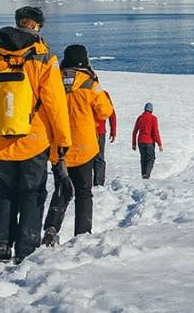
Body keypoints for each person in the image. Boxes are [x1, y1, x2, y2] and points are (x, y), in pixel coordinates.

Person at [0, 6, 71, 263]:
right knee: (33, 191)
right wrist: (62, 140)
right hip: (34, 140)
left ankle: (3, 242)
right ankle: (26, 248)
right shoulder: (42, 56)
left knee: (7, 189)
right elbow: (55, 104)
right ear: (37, 26)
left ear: (17, 23)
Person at [42, 44, 114, 246]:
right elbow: (105, 111)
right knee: (83, 192)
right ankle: (82, 235)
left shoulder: (53, 80)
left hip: (59, 149)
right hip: (84, 147)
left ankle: (51, 229)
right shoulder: (89, 84)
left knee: (61, 190)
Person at [132, 102, 163, 179]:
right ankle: (147, 174)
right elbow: (155, 132)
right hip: (149, 142)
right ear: (151, 110)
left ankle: (143, 174)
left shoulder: (140, 118)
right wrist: (159, 144)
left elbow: (135, 131)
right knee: (151, 158)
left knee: (143, 158)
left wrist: (134, 144)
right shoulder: (153, 118)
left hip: (140, 141)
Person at [93, 91, 117, 186]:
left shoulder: (81, 91)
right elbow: (111, 113)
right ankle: (98, 183)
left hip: (87, 130)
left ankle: (89, 183)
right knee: (99, 157)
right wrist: (113, 130)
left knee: (86, 158)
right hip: (99, 131)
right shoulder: (103, 94)